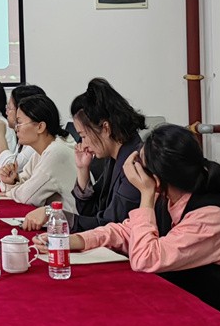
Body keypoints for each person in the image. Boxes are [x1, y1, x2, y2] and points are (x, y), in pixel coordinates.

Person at [33, 125, 220, 326]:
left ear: (157, 179)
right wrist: (74, 240)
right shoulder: (170, 197)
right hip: (190, 305)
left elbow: (146, 259)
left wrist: (146, 196)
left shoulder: (211, 216)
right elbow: (125, 231)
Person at [22, 78, 144, 231]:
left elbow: (110, 226)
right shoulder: (116, 157)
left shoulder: (134, 163)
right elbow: (91, 212)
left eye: (84, 136)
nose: (83, 144)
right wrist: (82, 170)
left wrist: (53, 214)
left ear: (105, 128)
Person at [0, 95, 77, 212]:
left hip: (70, 221)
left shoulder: (56, 152)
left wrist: (10, 191)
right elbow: (24, 182)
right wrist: (12, 181)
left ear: (40, 127)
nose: (16, 128)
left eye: (19, 123)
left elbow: (27, 196)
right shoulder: (41, 151)